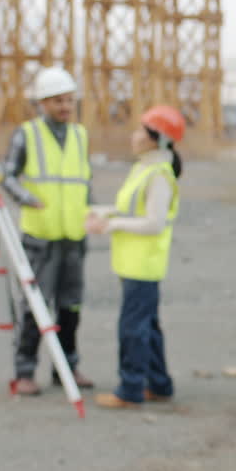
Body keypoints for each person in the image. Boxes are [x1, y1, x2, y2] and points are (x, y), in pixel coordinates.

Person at [1, 66, 94, 396]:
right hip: (40, 237)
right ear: (42, 103)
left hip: (73, 236)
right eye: (58, 101)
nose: (65, 107)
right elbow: (8, 176)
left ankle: (67, 366)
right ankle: (25, 370)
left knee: (71, 306)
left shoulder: (80, 136)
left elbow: (84, 180)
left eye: (69, 100)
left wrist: (92, 212)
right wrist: (29, 199)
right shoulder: (27, 134)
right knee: (35, 306)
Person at [86, 106, 185, 410]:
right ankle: (159, 384)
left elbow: (153, 223)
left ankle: (130, 389)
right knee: (148, 325)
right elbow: (131, 210)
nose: (134, 136)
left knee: (133, 328)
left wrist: (112, 225)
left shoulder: (158, 175)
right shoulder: (144, 167)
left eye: (141, 131)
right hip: (132, 260)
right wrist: (103, 214)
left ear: (158, 139)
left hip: (144, 263)